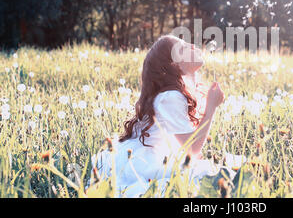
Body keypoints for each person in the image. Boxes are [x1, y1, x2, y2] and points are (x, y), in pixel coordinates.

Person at [91, 35, 228, 197]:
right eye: (183, 48)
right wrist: (211, 107)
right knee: (206, 178)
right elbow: (192, 148)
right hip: (147, 163)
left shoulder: (173, 93)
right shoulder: (170, 97)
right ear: (174, 65)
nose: (192, 45)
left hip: (149, 155)